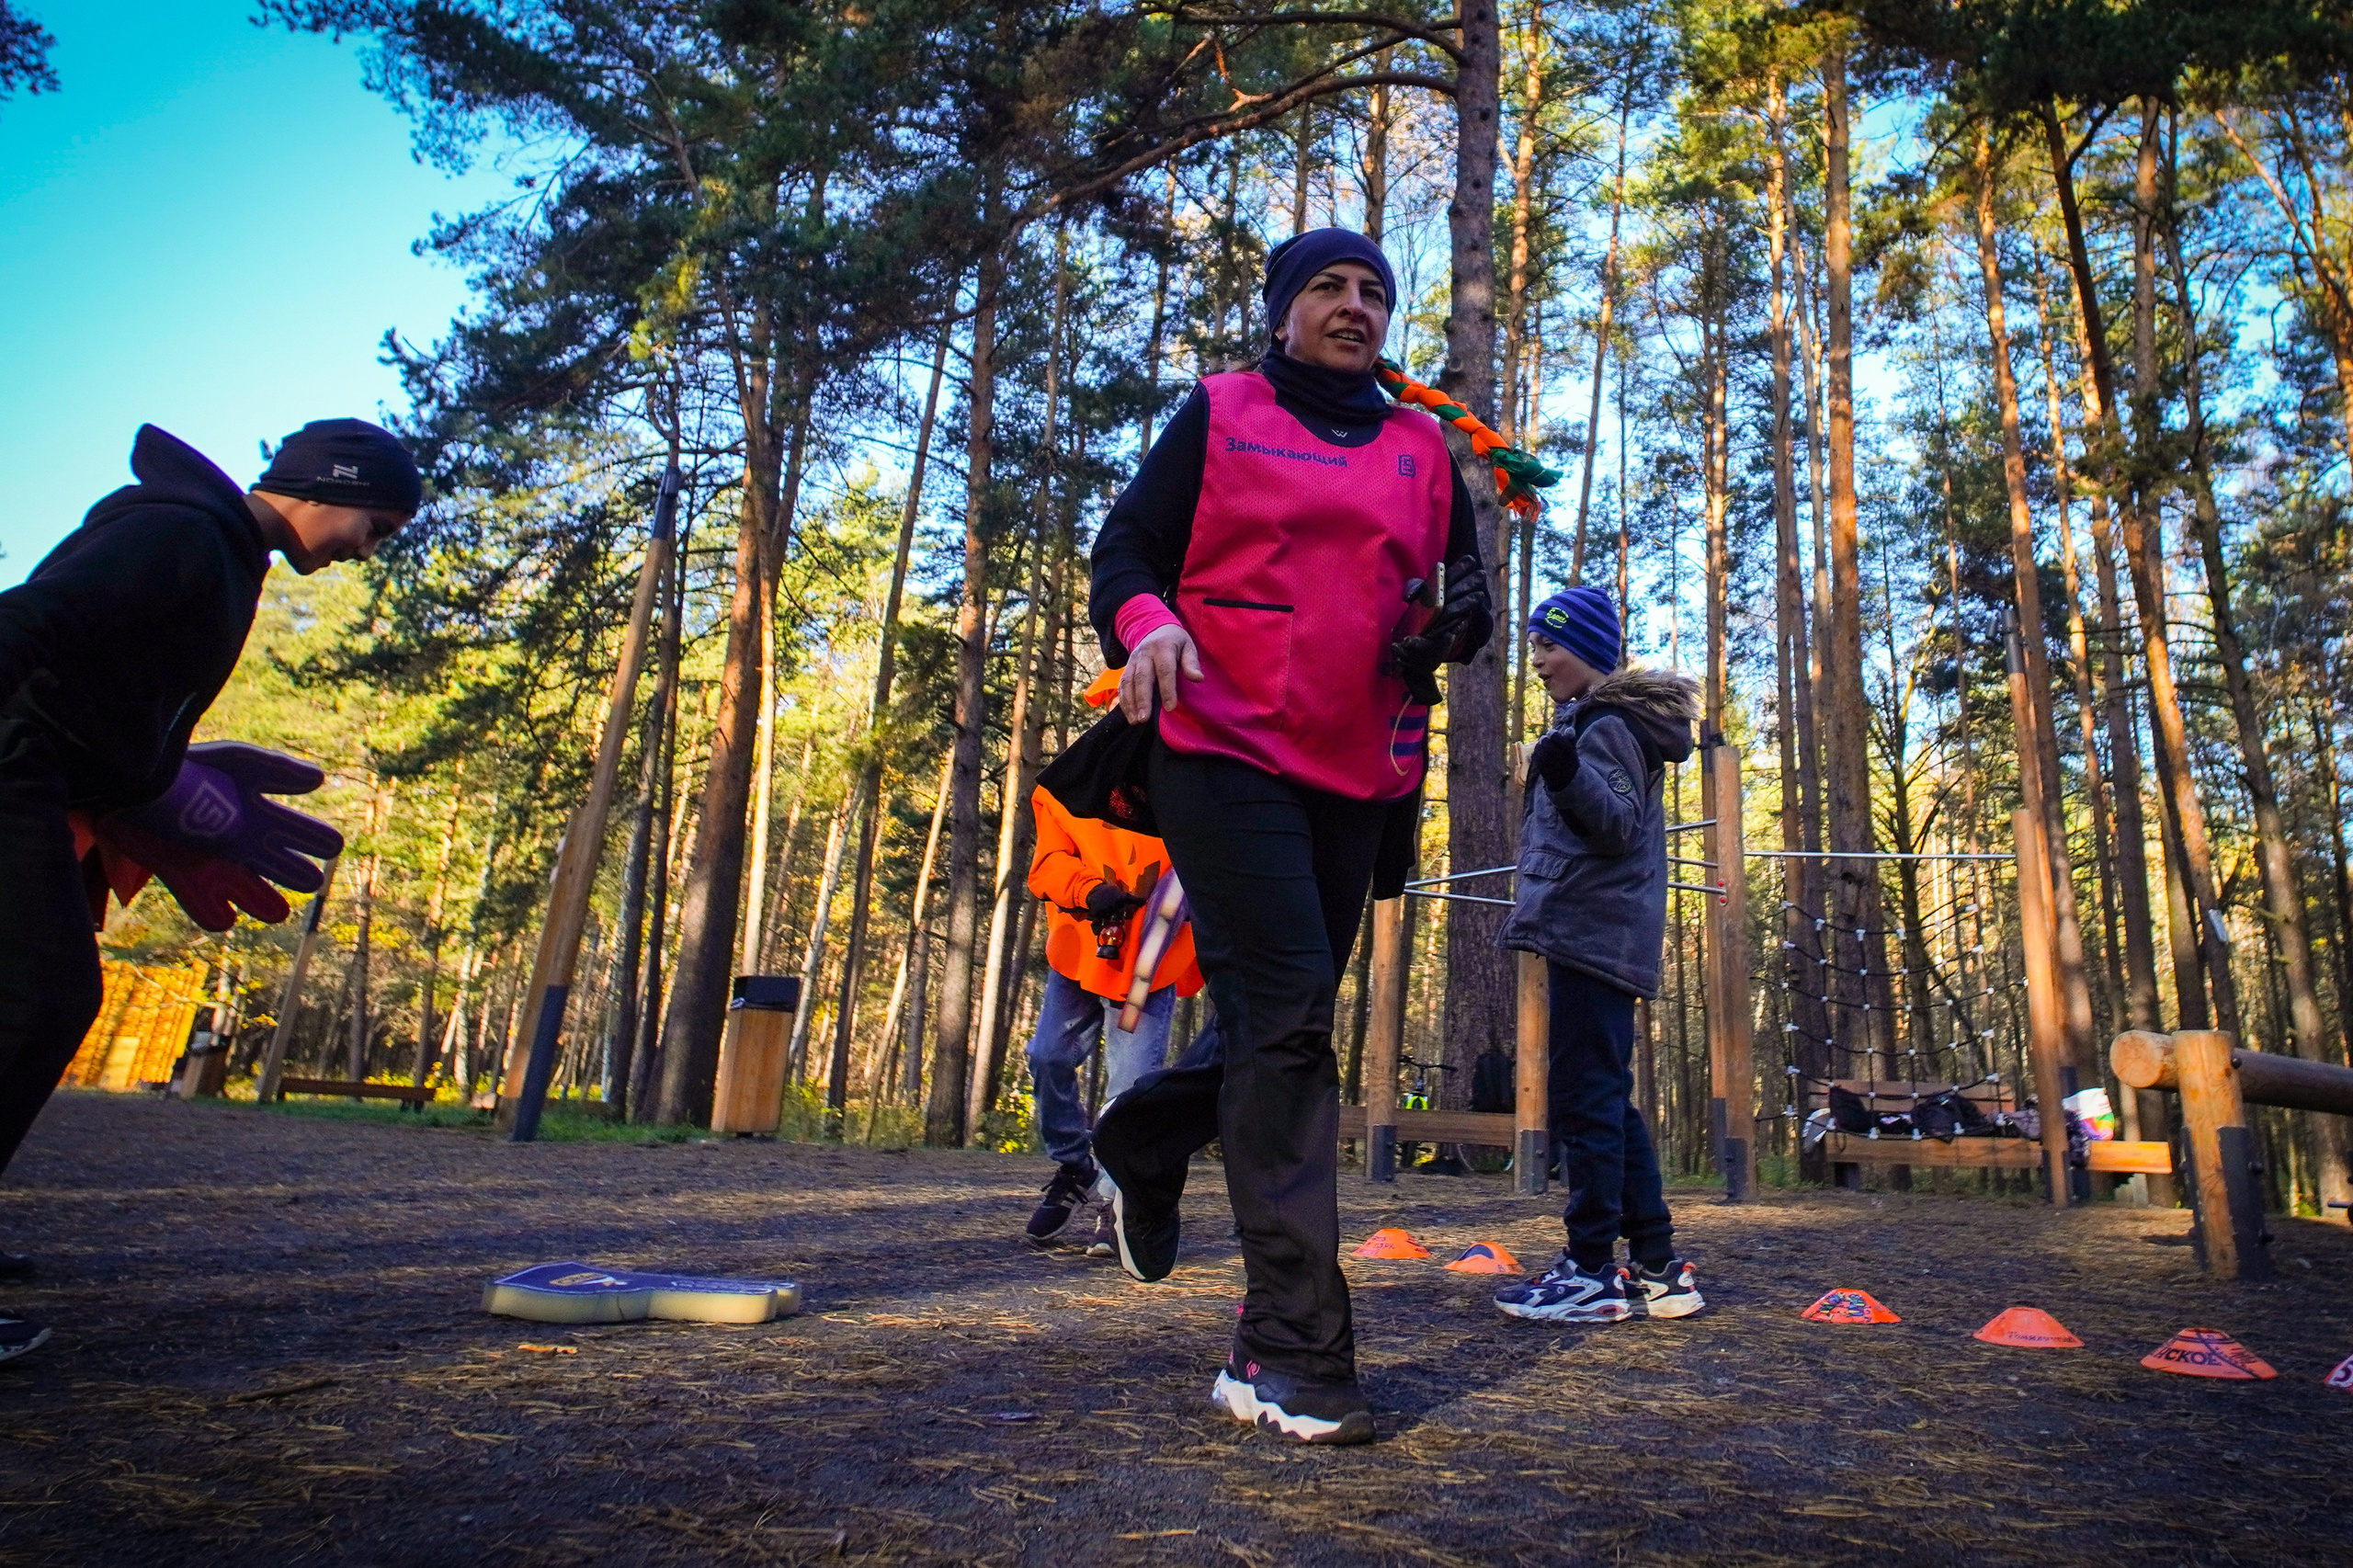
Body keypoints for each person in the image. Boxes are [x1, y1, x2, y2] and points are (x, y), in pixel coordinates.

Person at [1085, 227, 1497, 1446]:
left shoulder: (1424, 445)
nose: (1355, 304)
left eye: (1374, 290)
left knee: (1290, 1014)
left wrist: (1456, 624)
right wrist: (1149, 622)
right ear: (1281, 311)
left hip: (1359, 763)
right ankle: (1292, 1348)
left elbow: (1453, 596)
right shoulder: (1222, 410)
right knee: (1288, 1024)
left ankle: (1149, 1130)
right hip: (1220, 742)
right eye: (1328, 286)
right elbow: (1125, 549)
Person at [0, 419, 415, 1364]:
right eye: (376, 527)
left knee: (40, 1001)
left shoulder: (222, 550)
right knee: (38, 999)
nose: (366, 550)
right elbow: (31, 622)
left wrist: (159, 775)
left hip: (47, 780)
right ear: (330, 486)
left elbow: (106, 684)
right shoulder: (180, 530)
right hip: (14, 772)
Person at [1493, 585, 1705, 1324]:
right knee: (1606, 1097)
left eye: (1549, 645)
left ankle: (1589, 1270)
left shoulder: (1606, 725)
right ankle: (1656, 1267)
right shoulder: (1595, 722)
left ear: (1586, 650)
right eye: (1533, 646)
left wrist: (1562, 770)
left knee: (1586, 1102)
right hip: (1594, 929)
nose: (1538, 660)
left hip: (1593, 930)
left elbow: (1613, 825)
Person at [1022, 670, 1208, 1256]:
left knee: (1129, 1090)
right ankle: (1073, 1165)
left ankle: (1116, 1202)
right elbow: (1047, 864)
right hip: (1082, 949)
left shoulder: (1193, 788)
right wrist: (1088, 891)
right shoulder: (1073, 785)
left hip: (1150, 965)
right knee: (1048, 1056)